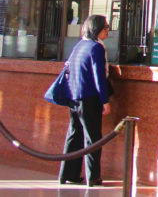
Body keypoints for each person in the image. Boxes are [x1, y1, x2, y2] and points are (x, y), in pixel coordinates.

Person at [58, 14, 112, 186]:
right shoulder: (96, 47)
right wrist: (105, 100)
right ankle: (93, 176)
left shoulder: (79, 45)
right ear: (96, 29)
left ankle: (67, 174)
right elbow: (99, 76)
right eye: (105, 28)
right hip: (89, 99)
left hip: (74, 97)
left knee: (74, 135)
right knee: (93, 138)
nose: (107, 31)